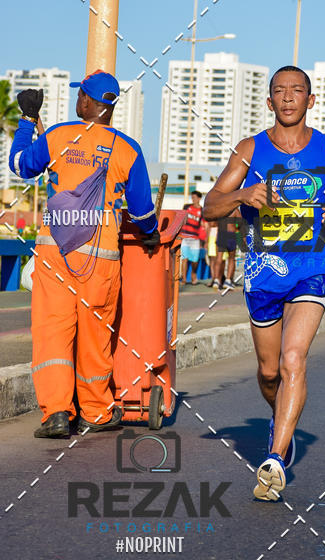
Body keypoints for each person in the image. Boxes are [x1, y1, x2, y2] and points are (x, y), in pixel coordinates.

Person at [203, 65, 325, 501]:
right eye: (280, 92)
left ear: (311, 100)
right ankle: (281, 419)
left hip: (314, 262)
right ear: (269, 102)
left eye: (297, 91)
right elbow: (211, 207)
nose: (289, 98)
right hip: (263, 270)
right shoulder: (251, 150)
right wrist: (241, 196)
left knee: (293, 359)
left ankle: (274, 458)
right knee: (270, 372)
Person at [9, 72, 159, 439]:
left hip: (55, 256)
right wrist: (152, 236)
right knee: (95, 337)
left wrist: (27, 122)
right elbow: (142, 214)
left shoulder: (58, 136)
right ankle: (95, 411)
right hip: (101, 261)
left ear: (87, 103)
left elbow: (19, 165)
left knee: (52, 335)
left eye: (82, 97)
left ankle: (57, 413)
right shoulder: (128, 149)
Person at [180, 191, 204, 285]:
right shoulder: (186, 207)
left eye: (194, 197)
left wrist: (203, 240)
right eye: (192, 197)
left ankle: (193, 273)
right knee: (184, 258)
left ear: (199, 198)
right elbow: (181, 218)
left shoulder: (202, 210)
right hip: (185, 236)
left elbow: (203, 225)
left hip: (195, 238)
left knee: (195, 260)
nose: (193, 199)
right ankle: (184, 279)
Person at [215, 209, 240, 290]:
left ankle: (216, 280)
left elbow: (215, 222)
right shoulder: (235, 211)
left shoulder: (221, 209)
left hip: (222, 233)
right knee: (231, 259)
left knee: (219, 259)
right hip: (231, 234)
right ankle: (228, 280)